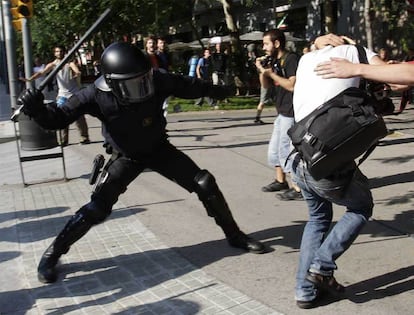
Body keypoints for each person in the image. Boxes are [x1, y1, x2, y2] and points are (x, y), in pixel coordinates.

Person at [17, 42, 267, 284]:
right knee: (97, 209)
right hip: (125, 156)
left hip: (158, 149)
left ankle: (235, 236)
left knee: (204, 183)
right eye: (131, 84)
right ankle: (53, 253)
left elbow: (191, 86)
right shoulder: (94, 94)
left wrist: (222, 91)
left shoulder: (157, 78)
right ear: (111, 82)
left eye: (142, 79)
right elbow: (57, 119)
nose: (140, 87)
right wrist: (37, 109)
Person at [291, 34, 385, 309]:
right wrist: (362, 54)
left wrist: (316, 43)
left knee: (318, 218)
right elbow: (389, 74)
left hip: (299, 158)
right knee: (360, 206)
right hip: (329, 164)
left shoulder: (305, 59)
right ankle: (322, 266)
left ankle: (304, 292)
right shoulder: (356, 52)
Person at [254, 29, 302, 201]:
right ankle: (280, 181)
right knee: (274, 151)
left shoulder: (291, 59)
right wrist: (262, 71)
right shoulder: (273, 61)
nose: (263, 47)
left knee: (287, 151)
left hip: (292, 112)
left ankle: (299, 188)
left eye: (266, 43)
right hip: (281, 111)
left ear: (276, 43)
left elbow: (292, 86)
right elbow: (266, 85)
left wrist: (271, 73)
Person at [25, 46, 90, 146]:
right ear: (54, 53)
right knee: (61, 116)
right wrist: (30, 79)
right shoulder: (53, 64)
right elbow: (42, 72)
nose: (59, 53)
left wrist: (76, 74)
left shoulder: (69, 63)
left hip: (74, 94)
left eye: (61, 51)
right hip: (62, 95)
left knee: (79, 116)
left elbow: (77, 71)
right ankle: (63, 141)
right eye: (57, 51)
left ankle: (84, 137)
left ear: (64, 52)